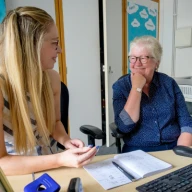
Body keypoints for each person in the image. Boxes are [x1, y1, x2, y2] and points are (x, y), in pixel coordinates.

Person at [0, 6, 97, 176]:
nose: (59, 50)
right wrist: (60, 159)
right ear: (31, 45)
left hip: (53, 169)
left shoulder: (51, 78)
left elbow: (54, 123)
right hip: (18, 176)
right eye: (54, 43)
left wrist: (66, 141)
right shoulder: (2, 88)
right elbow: (2, 163)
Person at [112, 35, 192, 153]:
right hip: (138, 150)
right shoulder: (120, 86)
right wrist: (136, 88)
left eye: (144, 58)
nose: (137, 63)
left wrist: (181, 151)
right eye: (133, 58)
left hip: (173, 146)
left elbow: (185, 120)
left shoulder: (169, 83)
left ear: (156, 63)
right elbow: (124, 127)